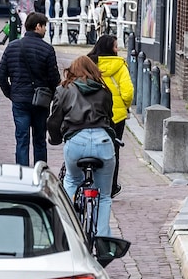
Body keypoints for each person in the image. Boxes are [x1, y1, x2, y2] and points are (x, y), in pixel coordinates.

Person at [47, 56, 117, 237]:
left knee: (71, 180)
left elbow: (54, 120)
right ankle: (102, 239)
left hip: (76, 141)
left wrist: (55, 138)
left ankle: (69, 232)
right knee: (104, 196)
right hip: (103, 141)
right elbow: (110, 118)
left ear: (72, 71)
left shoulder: (64, 90)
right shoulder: (104, 90)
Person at [0, 12, 60, 166]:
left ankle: (22, 173)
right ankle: (40, 171)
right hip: (41, 101)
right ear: (38, 26)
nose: (45, 30)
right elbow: (54, 79)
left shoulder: (12, 47)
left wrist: (11, 93)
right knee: (40, 139)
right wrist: (50, 95)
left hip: (20, 99)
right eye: (44, 26)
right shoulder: (47, 49)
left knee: (22, 138)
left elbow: (1, 76)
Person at [88, 36, 134, 197]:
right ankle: (111, 186)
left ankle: (90, 181)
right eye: (115, 47)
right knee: (113, 150)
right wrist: (124, 106)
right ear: (110, 49)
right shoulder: (120, 66)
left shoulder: (89, 63)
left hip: (93, 113)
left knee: (91, 146)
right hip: (116, 115)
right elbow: (128, 93)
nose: (117, 49)